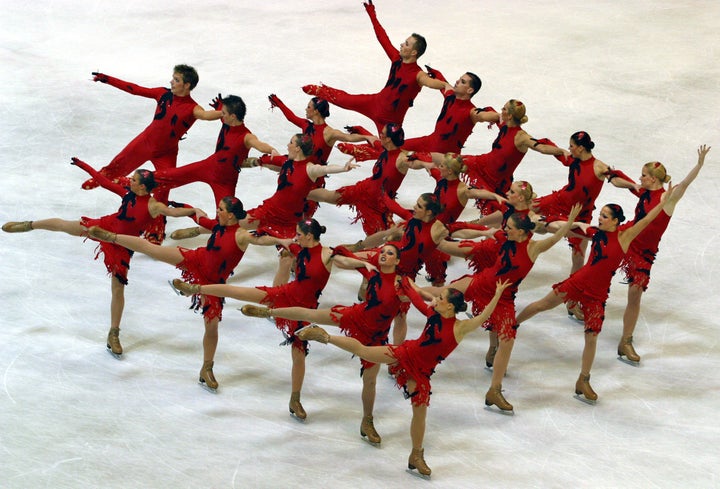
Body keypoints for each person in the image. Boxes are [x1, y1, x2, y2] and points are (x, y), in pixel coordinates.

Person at [295, 278, 511, 478]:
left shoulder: (460, 327)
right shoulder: (433, 314)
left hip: (421, 373)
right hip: (406, 354)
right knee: (364, 351)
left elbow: (484, 317)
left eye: (441, 298)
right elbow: (417, 299)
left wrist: (498, 293)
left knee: (419, 414)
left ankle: (416, 455)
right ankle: (324, 336)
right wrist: (408, 287)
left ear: (450, 307)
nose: (436, 299)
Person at [171, 219, 374, 421]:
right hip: (286, 293)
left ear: (310, 236)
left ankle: (295, 399)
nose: (296, 237)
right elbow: (269, 240)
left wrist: (362, 263)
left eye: (299, 234)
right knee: (241, 292)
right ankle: (195, 289)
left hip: (303, 310)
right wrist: (279, 239)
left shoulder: (327, 255)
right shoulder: (298, 247)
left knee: (299, 355)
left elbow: (346, 261)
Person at [2, 159, 200, 357]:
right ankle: (29, 225)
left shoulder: (154, 205)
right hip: (105, 226)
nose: (129, 180)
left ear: (142, 186)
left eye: (134, 179)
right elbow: (104, 182)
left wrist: (193, 211)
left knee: (118, 288)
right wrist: (83, 165)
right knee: (67, 226)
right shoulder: (128, 193)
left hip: (123, 244)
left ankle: (114, 333)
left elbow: (173, 212)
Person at [87, 196, 285, 391]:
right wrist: (194, 211)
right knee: (152, 249)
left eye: (221, 210)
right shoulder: (218, 225)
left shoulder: (240, 234)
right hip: (196, 259)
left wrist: (283, 240)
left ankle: (206, 368)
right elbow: (199, 219)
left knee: (212, 328)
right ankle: (111, 237)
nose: (217, 212)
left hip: (213, 283)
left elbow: (260, 240)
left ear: (232, 216)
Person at [515, 185, 677, 404]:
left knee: (591, 338)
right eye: (600, 215)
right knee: (543, 305)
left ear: (615, 221)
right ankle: (511, 325)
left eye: (604, 216)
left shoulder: (625, 236)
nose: (599, 218)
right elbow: (572, 227)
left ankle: (583, 380)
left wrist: (666, 202)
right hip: (578, 283)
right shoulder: (595, 233)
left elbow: (647, 220)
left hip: (597, 295)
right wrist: (553, 222)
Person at [240, 243, 406, 445]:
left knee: (370, 381)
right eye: (381, 252)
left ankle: (367, 421)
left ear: (397, 260)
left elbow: (420, 297)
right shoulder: (372, 274)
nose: (383, 255)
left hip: (377, 335)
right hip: (356, 316)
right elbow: (342, 254)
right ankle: (270, 312)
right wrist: (359, 261)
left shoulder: (403, 285)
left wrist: (434, 303)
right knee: (312, 314)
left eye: (389, 253)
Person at [426, 205, 581, 413]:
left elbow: (553, 239)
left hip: (503, 296)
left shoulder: (532, 248)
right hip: (483, 283)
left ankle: (494, 390)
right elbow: (476, 233)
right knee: (443, 292)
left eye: (509, 227)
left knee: (507, 338)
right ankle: (408, 290)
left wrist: (569, 222)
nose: (505, 229)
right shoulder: (503, 239)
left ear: (521, 232)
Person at [80, 65, 222, 243]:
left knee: (163, 190)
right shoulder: (163, 94)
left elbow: (206, 115)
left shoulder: (193, 108)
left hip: (167, 153)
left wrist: (222, 111)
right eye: (173, 78)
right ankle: (103, 177)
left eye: (176, 79)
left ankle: (155, 230)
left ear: (187, 85)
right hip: (145, 142)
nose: (171, 81)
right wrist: (108, 79)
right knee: (119, 163)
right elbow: (135, 89)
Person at [618, 144, 710, 364]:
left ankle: (625, 341)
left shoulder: (666, 199)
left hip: (644, 254)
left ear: (653, 179)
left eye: (643, 175)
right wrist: (611, 174)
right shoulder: (644, 192)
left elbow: (685, 185)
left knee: (635, 294)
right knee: (594, 245)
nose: (640, 178)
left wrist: (698, 165)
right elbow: (623, 182)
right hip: (627, 238)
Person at [531, 131, 637, 318]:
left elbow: (615, 179)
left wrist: (633, 186)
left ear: (581, 148)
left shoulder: (599, 167)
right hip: (560, 201)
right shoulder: (573, 158)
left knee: (578, 258)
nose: (570, 148)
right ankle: (490, 230)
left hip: (580, 217)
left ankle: (571, 303)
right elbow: (558, 151)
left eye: (572, 145)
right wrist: (534, 144)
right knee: (524, 207)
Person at [302, 0, 438, 134]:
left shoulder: (418, 74)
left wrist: (446, 86)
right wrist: (372, 13)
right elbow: (382, 37)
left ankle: (365, 136)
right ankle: (320, 91)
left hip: (390, 123)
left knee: (387, 153)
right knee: (345, 99)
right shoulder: (397, 59)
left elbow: (431, 83)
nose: (402, 44)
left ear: (414, 52)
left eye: (407, 44)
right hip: (375, 103)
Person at [153, 95, 278, 215]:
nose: (220, 114)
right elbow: (221, 112)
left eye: (223, 113)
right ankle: (135, 184)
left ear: (233, 116)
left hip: (225, 181)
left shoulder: (246, 137)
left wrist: (271, 150)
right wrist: (220, 106)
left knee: (226, 216)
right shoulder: (227, 121)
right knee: (170, 175)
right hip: (208, 166)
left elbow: (260, 145)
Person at [267, 93, 377, 217]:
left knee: (305, 215)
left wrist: (366, 137)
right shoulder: (306, 125)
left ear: (316, 111)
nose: (306, 109)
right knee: (269, 163)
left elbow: (348, 137)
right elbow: (291, 117)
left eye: (308, 107)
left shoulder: (329, 133)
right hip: (297, 170)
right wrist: (278, 102)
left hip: (313, 177)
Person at [307, 124, 427, 236]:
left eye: (382, 134)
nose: (380, 135)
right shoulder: (383, 148)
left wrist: (427, 164)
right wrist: (360, 129)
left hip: (379, 206)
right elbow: (371, 138)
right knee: (331, 196)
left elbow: (416, 163)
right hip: (365, 190)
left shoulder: (401, 159)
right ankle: (300, 193)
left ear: (389, 139)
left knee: (378, 238)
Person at [459, 99, 566, 215]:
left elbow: (542, 148)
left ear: (509, 116)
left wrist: (561, 151)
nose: (501, 110)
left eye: (504, 109)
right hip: (481, 164)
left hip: (497, 182)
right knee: (448, 161)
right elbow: (491, 115)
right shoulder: (505, 125)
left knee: (497, 214)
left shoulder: (521, 137)